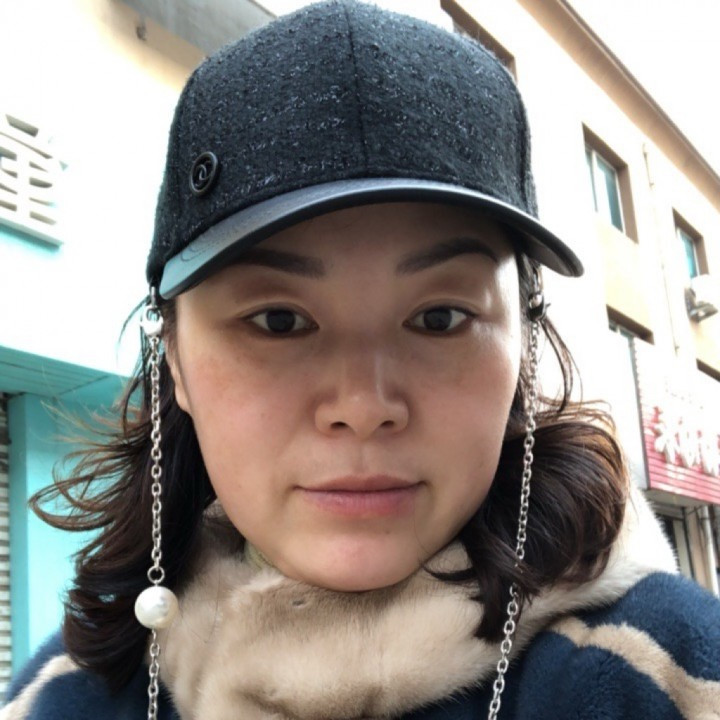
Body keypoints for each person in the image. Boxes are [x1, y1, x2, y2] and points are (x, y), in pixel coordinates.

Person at [4, 1, 720, 718]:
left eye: (439, 318)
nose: (363, 405)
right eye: (279, 321)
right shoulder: (66, 697)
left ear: (524, 344)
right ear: (176, 358)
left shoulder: (665, 677)